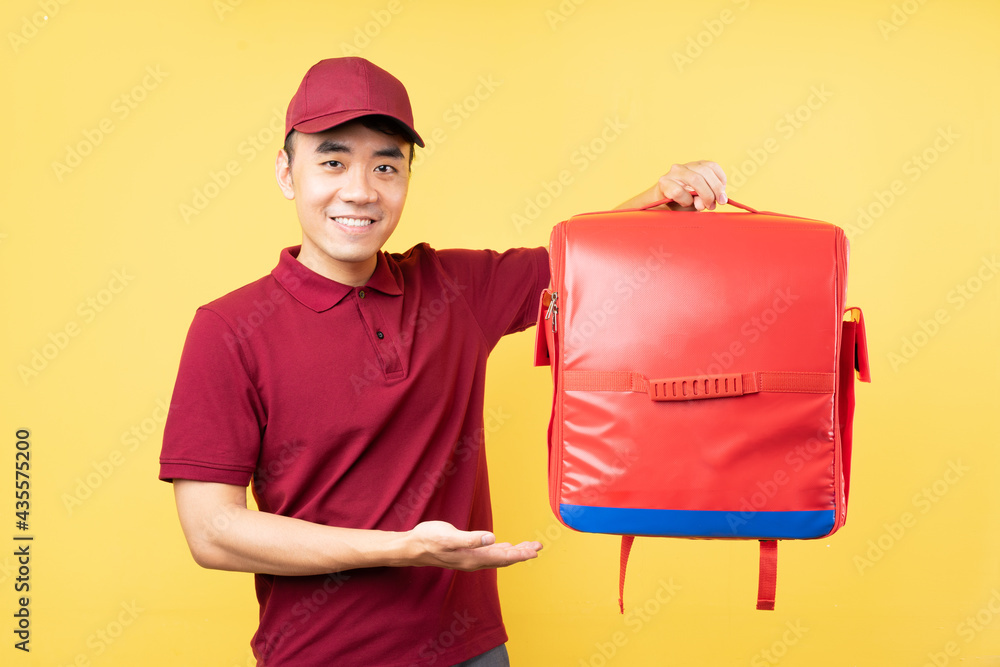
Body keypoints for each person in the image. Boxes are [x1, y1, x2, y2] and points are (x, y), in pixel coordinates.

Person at [159, 57, 727, 667]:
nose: (360, 189)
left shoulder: (454, 290)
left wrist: (669, 195)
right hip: (320, 656)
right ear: (285, 171)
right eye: (332, 161)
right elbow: (212, 532)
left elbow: (593, 262)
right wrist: (403, 549)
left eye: (386, 165)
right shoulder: (228, 330)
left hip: (473, 653)